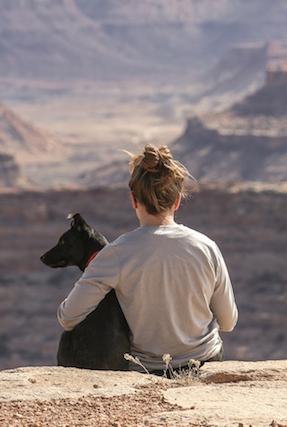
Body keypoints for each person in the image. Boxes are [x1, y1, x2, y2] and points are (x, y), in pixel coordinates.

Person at [57, 144, 238, 373]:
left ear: (133, 200)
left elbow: (67, 317)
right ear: (177, 200)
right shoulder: (207, 247)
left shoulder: (115, 254)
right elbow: (228, 323)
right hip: (205, 363)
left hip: (149, 371)